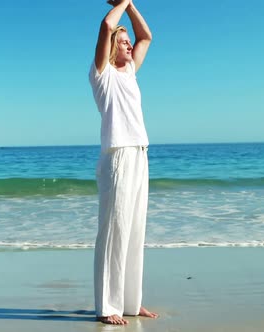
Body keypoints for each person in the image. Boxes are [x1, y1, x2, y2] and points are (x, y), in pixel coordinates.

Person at [89, 0, 158, 325]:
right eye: (123, 42)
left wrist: (129, 4)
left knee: (134, 232)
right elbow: (105, 26)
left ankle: (131, 302)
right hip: (116, 156)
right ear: (111, 48)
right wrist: (120, 5)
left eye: (128, 42)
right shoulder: (102, 77)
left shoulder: (130, 72)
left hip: (139, 154)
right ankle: (107, 306)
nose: (129, 45)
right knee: (114, 232)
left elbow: (147, 36)